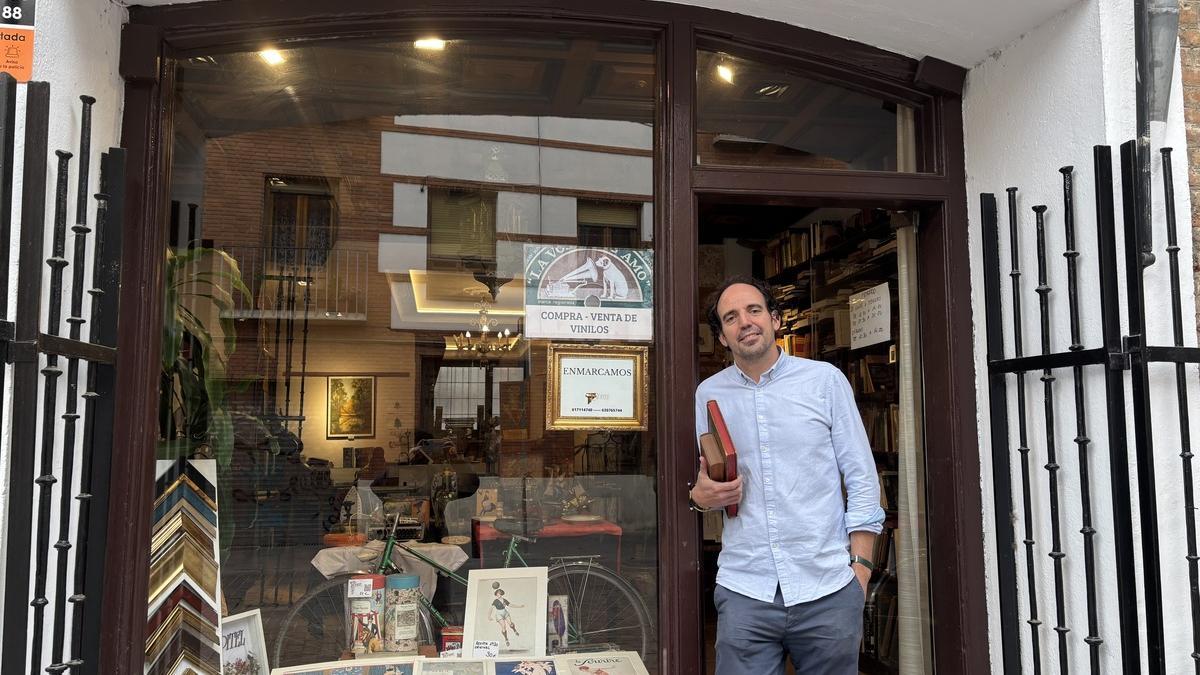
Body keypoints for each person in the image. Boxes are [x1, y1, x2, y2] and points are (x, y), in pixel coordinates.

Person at [689, 276, 884, 674]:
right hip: (746, 588)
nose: (745, 322)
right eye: (731, 317)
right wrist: (701, 497)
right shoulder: (709, 393)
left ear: (775, 319)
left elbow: (862, 478)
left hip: (827, 587)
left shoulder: (824, 381)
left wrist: (860, 571)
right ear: (722, 337)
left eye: (754, 310)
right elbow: (710, 481)